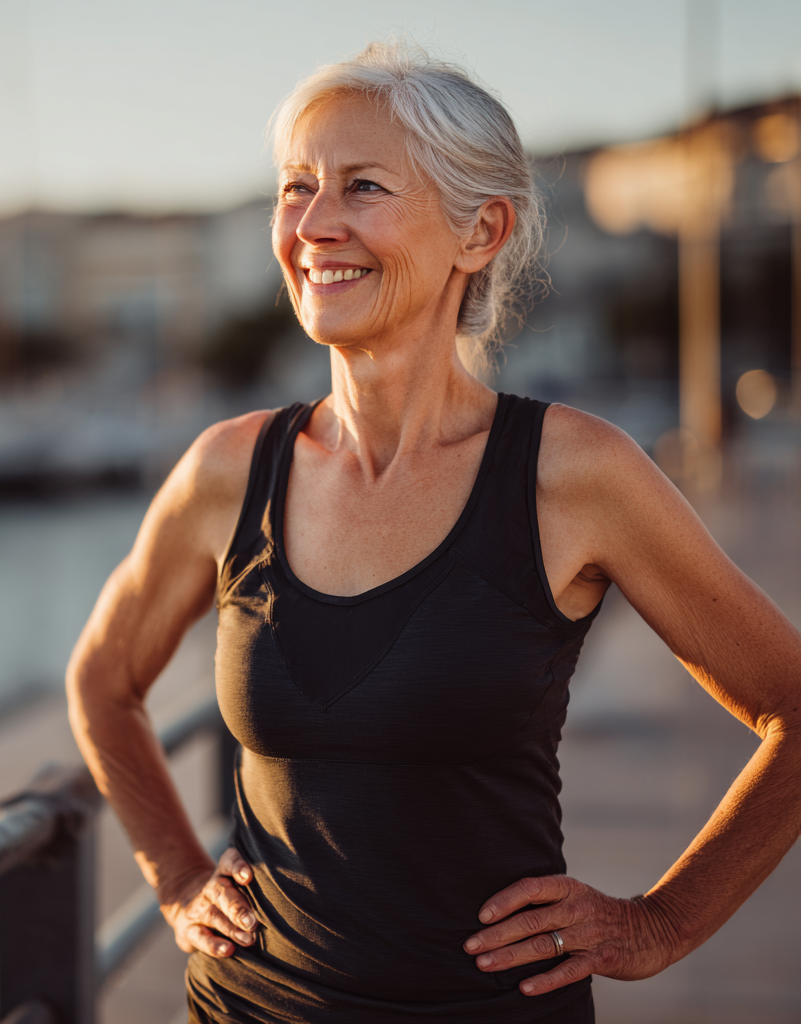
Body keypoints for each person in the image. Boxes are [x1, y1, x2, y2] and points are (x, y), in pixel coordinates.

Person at [66, 40, 801, 1024]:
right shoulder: (227, 471)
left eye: (361, 187)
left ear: (479, 230)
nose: (313, 225)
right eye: (295, 188)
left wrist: (656, 925)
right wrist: (172, 871)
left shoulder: (575, 473)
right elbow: (102, 681)